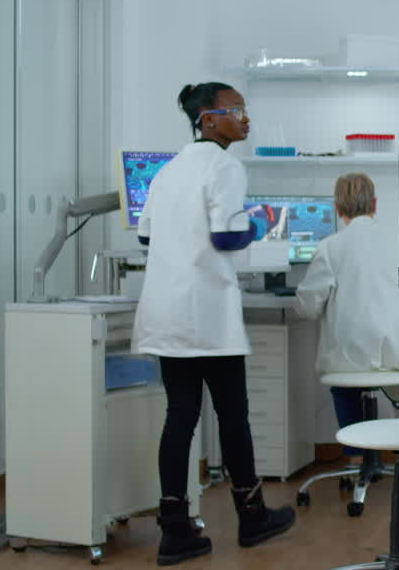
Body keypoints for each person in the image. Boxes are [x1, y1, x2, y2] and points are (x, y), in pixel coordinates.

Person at [133, 82, 295, 566]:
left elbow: (145, 238)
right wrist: (261, 224)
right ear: (209, 119)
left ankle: (175, 533)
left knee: (180, 417)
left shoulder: (167, 171)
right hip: (205, 315)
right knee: (233, 416)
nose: (246, 120)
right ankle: (252, 519)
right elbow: (227, 235)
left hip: (166, 313)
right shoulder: (225, 165)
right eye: (237, 111)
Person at [295, 172, 399, 459]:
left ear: (337, 208)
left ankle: (357, 455)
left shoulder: (330, 247)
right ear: (375, 204)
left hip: (349, 360)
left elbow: (307, 307)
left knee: (345, 388)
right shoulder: (398, 242)